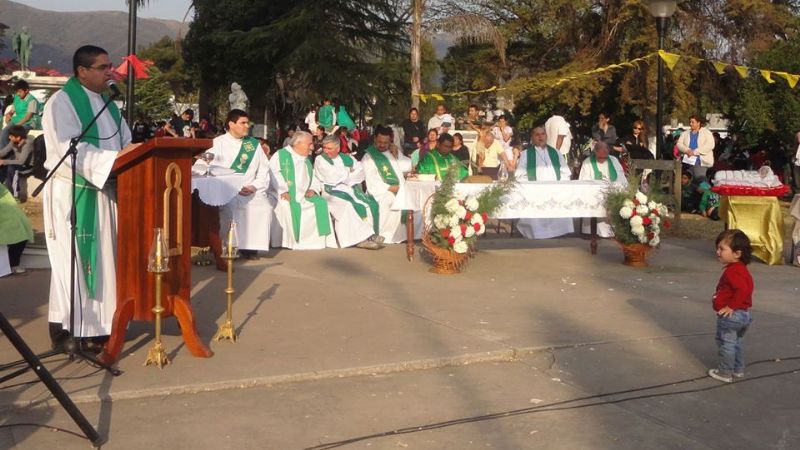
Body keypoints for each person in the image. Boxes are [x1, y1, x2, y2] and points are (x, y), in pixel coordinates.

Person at [42, 45, 139, 347]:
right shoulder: (63, 102)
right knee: (71, 262)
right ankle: (70, 330)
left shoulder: (108, 104)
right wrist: (113, 161)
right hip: (73, 192)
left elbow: (125, 142)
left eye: (110, 66)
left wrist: (130, 155)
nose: (110, 71)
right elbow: (69, 147)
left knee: (104, 262)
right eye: (103, 67)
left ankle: (98, 325)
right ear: (82, 71)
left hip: (103, 190)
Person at [203, 109, 273, 259]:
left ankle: (250, 247)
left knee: (264, 207)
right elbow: (207, 166)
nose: (247, 126)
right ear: (231, 124)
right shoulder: (217, 143)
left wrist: (253, 186)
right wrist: (230, 185)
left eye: (248, 123)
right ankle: (229, 245)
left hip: (250, 189)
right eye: (243, 123)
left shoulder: (253, 144)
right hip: (226, 189)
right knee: (231, 209)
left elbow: (264, 170)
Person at [314, 134, 383, 250]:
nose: (326, 151)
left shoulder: (345, 158)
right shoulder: (320, 159)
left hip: (349, 189)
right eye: (325, 148)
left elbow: (361, 170)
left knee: (369, 203)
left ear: (338, 148)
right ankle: (360, 239)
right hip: (330, 192)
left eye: (329, 148)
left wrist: (346, 176)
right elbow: (332, 177)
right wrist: (349, 174)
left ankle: (370, 234)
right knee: (347, 205)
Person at [269, 130, 333, 249]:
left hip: (303, 195)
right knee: (286, 206)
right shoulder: (281, 155)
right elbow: (273, 173)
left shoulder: (307, 160)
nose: (312, 147)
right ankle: (289, 242)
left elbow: (314, 178)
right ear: (298, 143)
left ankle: (316, 242)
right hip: (283, 194)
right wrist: (283, 190)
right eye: (309, 144)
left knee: (321, 203)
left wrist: (313, 189)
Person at [708, 229, 754, 383]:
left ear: (737, 253)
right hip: (744, 315)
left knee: (725, 343)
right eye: (718, 248)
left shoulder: (733, 271)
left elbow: (742, 289)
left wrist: (731, 307)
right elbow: (748, 288)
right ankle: (737, 369)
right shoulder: (741, 270)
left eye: (722, 249)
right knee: (736, 342)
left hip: (731, 316)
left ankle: (725, 372)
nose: (718, 252)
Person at [361, 125, 420, 244]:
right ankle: (388, 236)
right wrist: (390, 188)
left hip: (399, 188)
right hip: (381, 192)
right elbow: (371, 181)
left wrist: (397, 155)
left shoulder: (390, 152)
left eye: (386, 143)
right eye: (380, 142)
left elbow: (405, 165)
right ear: (374, 140)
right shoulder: (368, 157)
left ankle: (413, 234)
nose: (382, 145)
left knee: (416, 202)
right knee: (390, 201)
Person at [515, 127, 574, 239]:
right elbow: (520, 174)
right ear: (532, 138)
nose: (540, 137)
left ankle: (559, 231)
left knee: (562, 199)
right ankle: (537, 233)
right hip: (535, 191)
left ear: (546, 136)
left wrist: (560, 186)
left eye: (542, 134)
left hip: (555, 190)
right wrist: (530, 187)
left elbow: (565, 172)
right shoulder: (526, 154)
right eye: (537, 135)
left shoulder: (556, 152)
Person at [578, 141, 627, 237]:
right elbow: (584, 180)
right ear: (595, 151)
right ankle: (590, 230)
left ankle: (613, 229)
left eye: (606, 149)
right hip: (594, 192)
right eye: (602, 149)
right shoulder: (588, 162)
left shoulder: (613, 160)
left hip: (612, 189)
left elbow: (621, 177)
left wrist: (615, 186)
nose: (605, 152)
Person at [0, 183, 32, 277]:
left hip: (8, 213)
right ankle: (12, 265)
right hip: (6, 215)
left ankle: (12, 264)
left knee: (21, 236)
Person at [0, 125, 34, 202]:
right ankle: (11, 196)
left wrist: (4, 162)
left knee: (21, 179)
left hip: (27, 166)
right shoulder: (13, 141)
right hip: (16, 164)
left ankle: (22, 198)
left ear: (18, 137)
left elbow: (21, 161)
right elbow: (4, 151)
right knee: (8, 176)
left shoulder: (27, 144)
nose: (9, 138)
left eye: (11, 136)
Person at [1, 80, 39, 147]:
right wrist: (9, 114)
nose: (18, 94)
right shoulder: (17, 97)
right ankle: (3, 152)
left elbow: (28, 116)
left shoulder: (32, 100)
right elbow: (12, 110)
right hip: (16, 120)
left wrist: (18, 125)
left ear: (26, 91)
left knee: (16, 135)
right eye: (17, 92)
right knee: (4, 132)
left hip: (28, 123)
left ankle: (12, 153)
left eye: (20, 92)